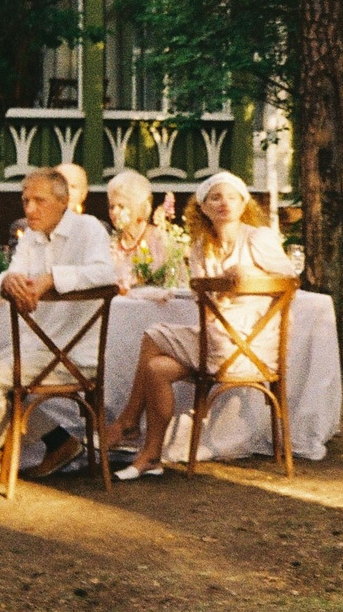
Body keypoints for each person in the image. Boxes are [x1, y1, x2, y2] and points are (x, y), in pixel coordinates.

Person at [98, 170, 293, 481]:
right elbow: (205, 302)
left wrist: (246, 276)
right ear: (202, 207)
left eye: (231, 196)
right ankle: (150, 455)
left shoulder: (258, 239)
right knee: (156, 368)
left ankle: (127, 422)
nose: (224, 203)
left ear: (244, 203)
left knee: (153, 334)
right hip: (218, 340)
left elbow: (289, 279)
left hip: (251, 343)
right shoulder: (202, 246)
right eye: (215, 197)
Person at [0, 167, 116, 487]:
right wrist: (9, 279)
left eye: (38, 201)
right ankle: (59, 442)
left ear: (63, 201)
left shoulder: (88, 229)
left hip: (73, 354)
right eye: (25, 200)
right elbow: (9, 276)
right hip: (38, 349)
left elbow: (105, 275)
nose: (29, 209)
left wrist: (52, 278)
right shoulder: (31, 236)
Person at [99, 169, 180, 292]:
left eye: (121, 206)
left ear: (138, 207)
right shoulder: (111, 242)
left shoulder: (160, 240)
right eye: (111, 206)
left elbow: (173, 283)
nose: (114, 212)